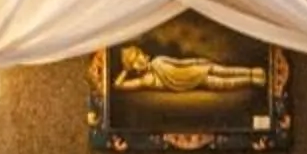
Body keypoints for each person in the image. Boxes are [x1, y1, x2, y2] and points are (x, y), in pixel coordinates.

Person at [113, 45, 266, 93]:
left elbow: (180, 63)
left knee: (224, 70)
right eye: (134, 62)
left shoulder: (158, 60)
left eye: (138, 56)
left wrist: (197, 61)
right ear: (132, 67)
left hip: (194, 69)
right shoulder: (145, 80)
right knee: (220, 83)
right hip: (192, 82)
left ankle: (252, 72)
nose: (139, 61)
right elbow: (117, 85)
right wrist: (125, 70)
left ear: (143, 54)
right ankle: (251, 80)